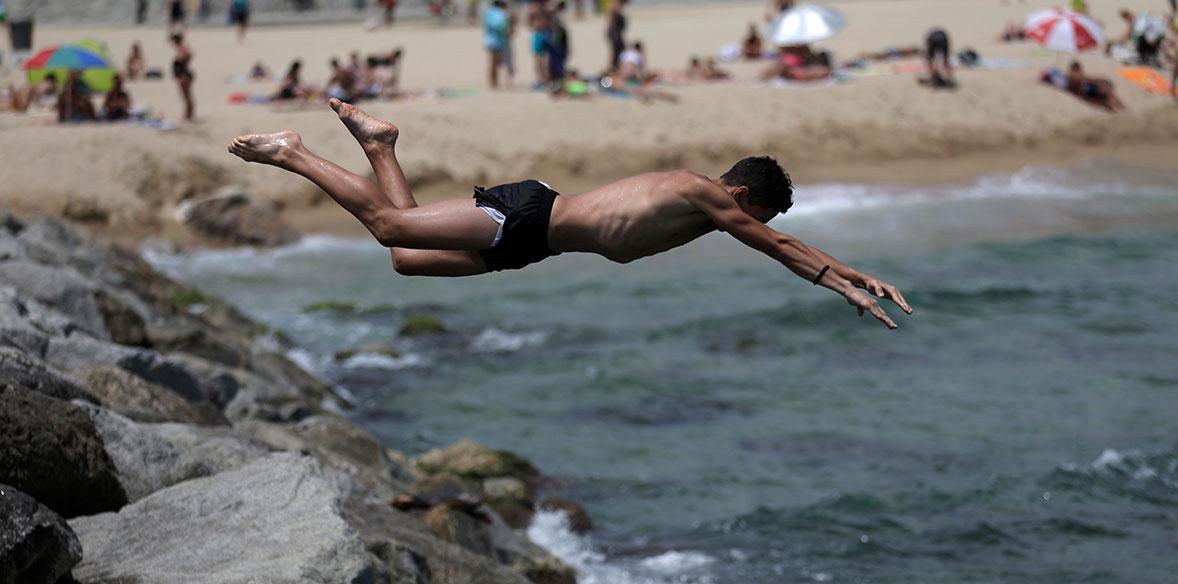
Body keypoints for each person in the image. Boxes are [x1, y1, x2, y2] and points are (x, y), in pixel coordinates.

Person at [228, 100, 912, 329]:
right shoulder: (700, 190)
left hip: (536, 244)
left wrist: (844, 274)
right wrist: (847, 281)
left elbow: (775, 239)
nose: (750, 226)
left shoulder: (711, 211)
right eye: (753, 214)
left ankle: (380, 144)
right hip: (528, 216)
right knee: (391, 228)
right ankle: (293, 153)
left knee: (405, 258)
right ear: (741, 196)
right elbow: (779, 244)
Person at [484, 0, 514, 89]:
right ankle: (497, 83)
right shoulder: (499, 14)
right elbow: (500, 26)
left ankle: (494, 83)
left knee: (494, 63)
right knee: (500, 63)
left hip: (491, 41)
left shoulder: (489, 13)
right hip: (498, 42)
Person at [170, 32, 195, 120]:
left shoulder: (182, 48)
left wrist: (184, 62)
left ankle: (187, 115)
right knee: (187, 96)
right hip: (183, 74)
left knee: (186, 96)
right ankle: (189, 114)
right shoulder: (181, 48)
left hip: (183, 75)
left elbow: (189, 55)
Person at [607, 0, 627, 71]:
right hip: (615, 33)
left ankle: (615, 68)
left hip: (616, 32)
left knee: (618, 51)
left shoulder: (616, 6)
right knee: (617, 51)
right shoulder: (615, 6)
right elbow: (611, 21)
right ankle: (614, 68)